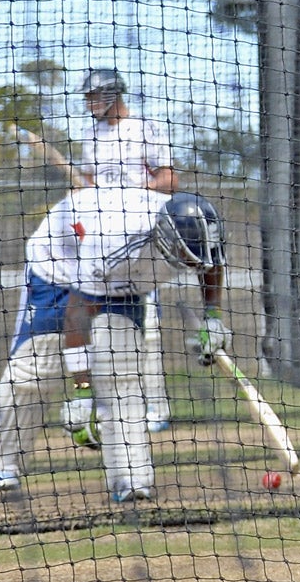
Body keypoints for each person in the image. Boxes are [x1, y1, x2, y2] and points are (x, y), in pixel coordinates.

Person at [16, 68, 178, 429]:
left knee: (148, 333)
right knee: (97, 328)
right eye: (87, 98)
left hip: (139, 237)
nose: (89, 104)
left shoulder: (145, 128)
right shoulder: (91, 134)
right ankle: (109, 410)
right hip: (102, 239)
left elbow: (169, 179)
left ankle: (157, 409)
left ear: (112, 96)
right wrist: (85, 195)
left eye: (94, 97)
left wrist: (134, 198)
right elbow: (90, 181)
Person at [59, 188, 229, 503]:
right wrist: (82, 391)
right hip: (63, 264)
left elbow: (211, 265)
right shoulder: (112, 243)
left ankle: (134, 480)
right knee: (36, 369)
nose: (193, 266)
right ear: (166, 242)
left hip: (130, 281)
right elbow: (77, 314)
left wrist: (213, 317)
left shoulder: (200, 230)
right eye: (186, 258)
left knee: (125, 378)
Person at [0, 199, 79, 492]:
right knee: (32, 374)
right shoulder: (75, 205)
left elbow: (168, 181)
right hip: (58, 270)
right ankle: (3, 462)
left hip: (122, 274)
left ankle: (130, 473)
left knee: (123, 364)